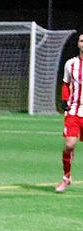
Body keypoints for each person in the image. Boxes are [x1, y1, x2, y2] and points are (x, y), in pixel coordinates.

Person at [56, 33, 83, 193]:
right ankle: (66, 177)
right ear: (78, 44)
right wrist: (64, 99)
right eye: (81, 40)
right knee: (69, 144)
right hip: (73, 111)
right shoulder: (71, 64)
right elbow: (65, 84)